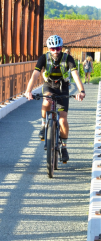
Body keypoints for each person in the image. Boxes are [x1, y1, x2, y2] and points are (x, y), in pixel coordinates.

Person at [24, 35, 85, 163]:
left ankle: (64, 147)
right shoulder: (43, 58)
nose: (55, 51)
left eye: (57, 48)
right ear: (49, 49)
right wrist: (28, 91)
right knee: (47, 100)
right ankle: (43, 124)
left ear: (61, 48)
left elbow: (75, 74)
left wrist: (81, 91)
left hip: (63, 87)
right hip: (49, 86)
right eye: (52, 49)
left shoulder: (68, 58)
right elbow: (35, 75)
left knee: (62, 121)